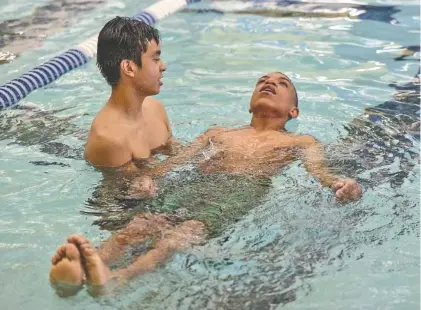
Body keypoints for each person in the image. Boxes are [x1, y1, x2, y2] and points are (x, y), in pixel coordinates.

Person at [49, 72, 362, 296]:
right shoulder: (218, 133)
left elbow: (317, 171)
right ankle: (88, 265)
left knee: (183, 234)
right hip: (199, 180)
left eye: (281, 84)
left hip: (245, 187)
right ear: (249, 103)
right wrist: (145, 180)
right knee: (142, 223)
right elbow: (177, 162)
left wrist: (341, 184)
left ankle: (119, 278)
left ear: (293, 111)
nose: (269, 83)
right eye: (262, 82)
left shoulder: (301, 140)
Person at [84, 17, 179, 170]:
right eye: (155, 59)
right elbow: (135, 189)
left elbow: (177, 156)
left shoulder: (155, 109)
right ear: (129, 68)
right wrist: (202, 144)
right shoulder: (109, 138)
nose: (163, 66)